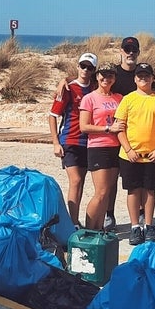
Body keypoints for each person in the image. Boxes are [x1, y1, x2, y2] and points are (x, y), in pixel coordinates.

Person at [115, 63, 155, 245]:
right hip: (130, 155)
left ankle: (148, 225)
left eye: (147, 76)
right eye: (140, 76)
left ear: (153, 78)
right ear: (135, 79)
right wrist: (129, 150)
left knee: (149, 190)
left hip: (152, 154)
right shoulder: (128, 99)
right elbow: (120, 128)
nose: (143, 79)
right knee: (133, 190)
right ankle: (134, 227)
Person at [49, 52, 97, 228]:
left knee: (81, 182)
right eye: (82, 66)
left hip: (89, 141)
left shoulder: (94, 88)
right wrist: (55, 142)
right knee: (75, 180)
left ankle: (74, 221)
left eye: (89, 67)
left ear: (93, 70)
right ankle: (73, 223)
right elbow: (52, 115)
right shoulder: (68, 88)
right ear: (78, 66)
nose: (85, 70)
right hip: (70, 139)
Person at [78, 62, 125, 230]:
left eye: (110, 75)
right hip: (99, 147)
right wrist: (107, 128)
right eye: (103, 75)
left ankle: (99, 229)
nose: (106, 78)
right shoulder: (89, 98)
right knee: (101, 192)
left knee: (108, 192)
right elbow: (84, 126)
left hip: (116, 147)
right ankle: (89, 230)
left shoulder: (119, 98)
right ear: (97, 77)